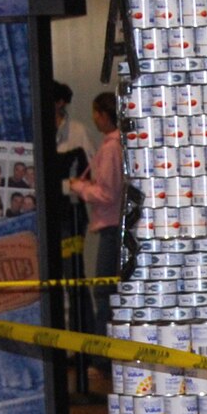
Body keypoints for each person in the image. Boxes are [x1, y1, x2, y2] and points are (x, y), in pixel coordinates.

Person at [63, 91, 123, 352]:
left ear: (105, 115)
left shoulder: (111, 149)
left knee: (104, 292)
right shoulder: (119, 145)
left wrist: (81, 189)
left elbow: (108, 194)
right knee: (110, 291)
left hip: (111, 226)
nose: (93, 118)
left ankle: (102, 359)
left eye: (96, 113)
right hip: (116, 225)